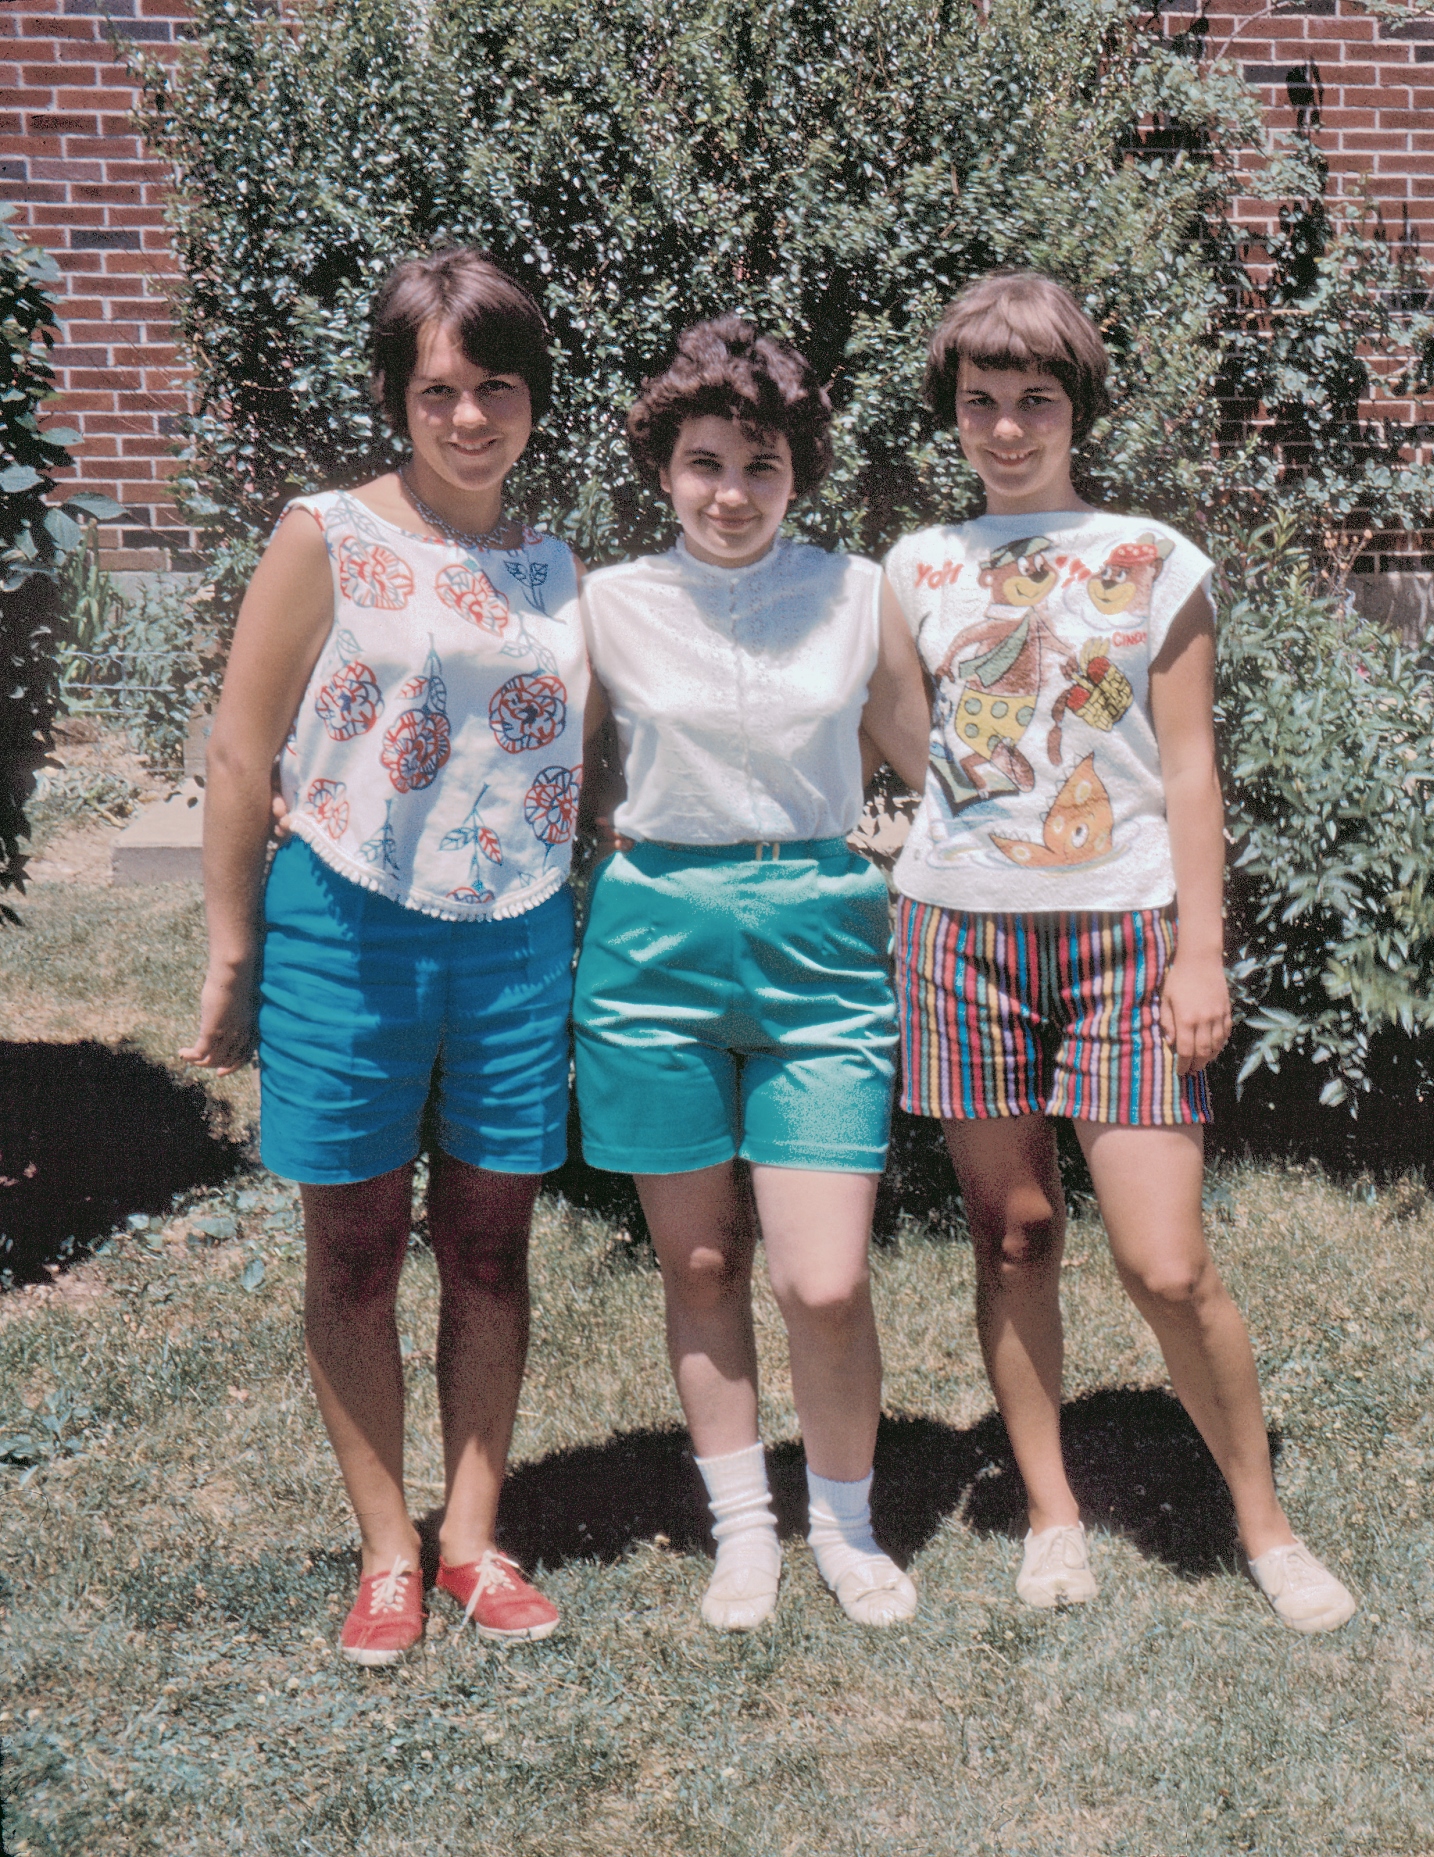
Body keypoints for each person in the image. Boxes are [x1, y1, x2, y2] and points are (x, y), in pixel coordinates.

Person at [876, 270, 1355, 1632]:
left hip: (1126, 936)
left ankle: (1263, 1522)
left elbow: (1193, 770)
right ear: (953, 413)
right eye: (983, 401)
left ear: (1077, 406)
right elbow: (904, 741)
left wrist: (1201, 952)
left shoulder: (1155, 556)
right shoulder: (915, 565)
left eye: (1036, 399)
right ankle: (1052, 1509)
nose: (1009, 426)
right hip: (959, 935)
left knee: (1162, 1257)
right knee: (1015, 1233)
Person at [182, 249, 584, 1665]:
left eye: (495, 387)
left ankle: (473, 1537)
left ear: (532, 396)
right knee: (353, 1246)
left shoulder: (551, 565)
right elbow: (241, 747)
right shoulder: (326, 535)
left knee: (490, 1238)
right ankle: (388, 1551)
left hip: (519, 930)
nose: (469, 416)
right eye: (438, 390)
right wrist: (234, 946)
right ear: (397, 397)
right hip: (346, 927)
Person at [571, 317, 924, 1629]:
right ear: (664, 465)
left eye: (760, 467)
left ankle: (846, 1521)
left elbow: (933, 768)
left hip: (821, 929)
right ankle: (742, 1532)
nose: (730, 493)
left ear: (798, 476)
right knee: (705, 1263)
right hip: (655, 929)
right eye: (705, 461)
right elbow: (529, 757)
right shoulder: (608, 601)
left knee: (821, 1276)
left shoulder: (858, 592)